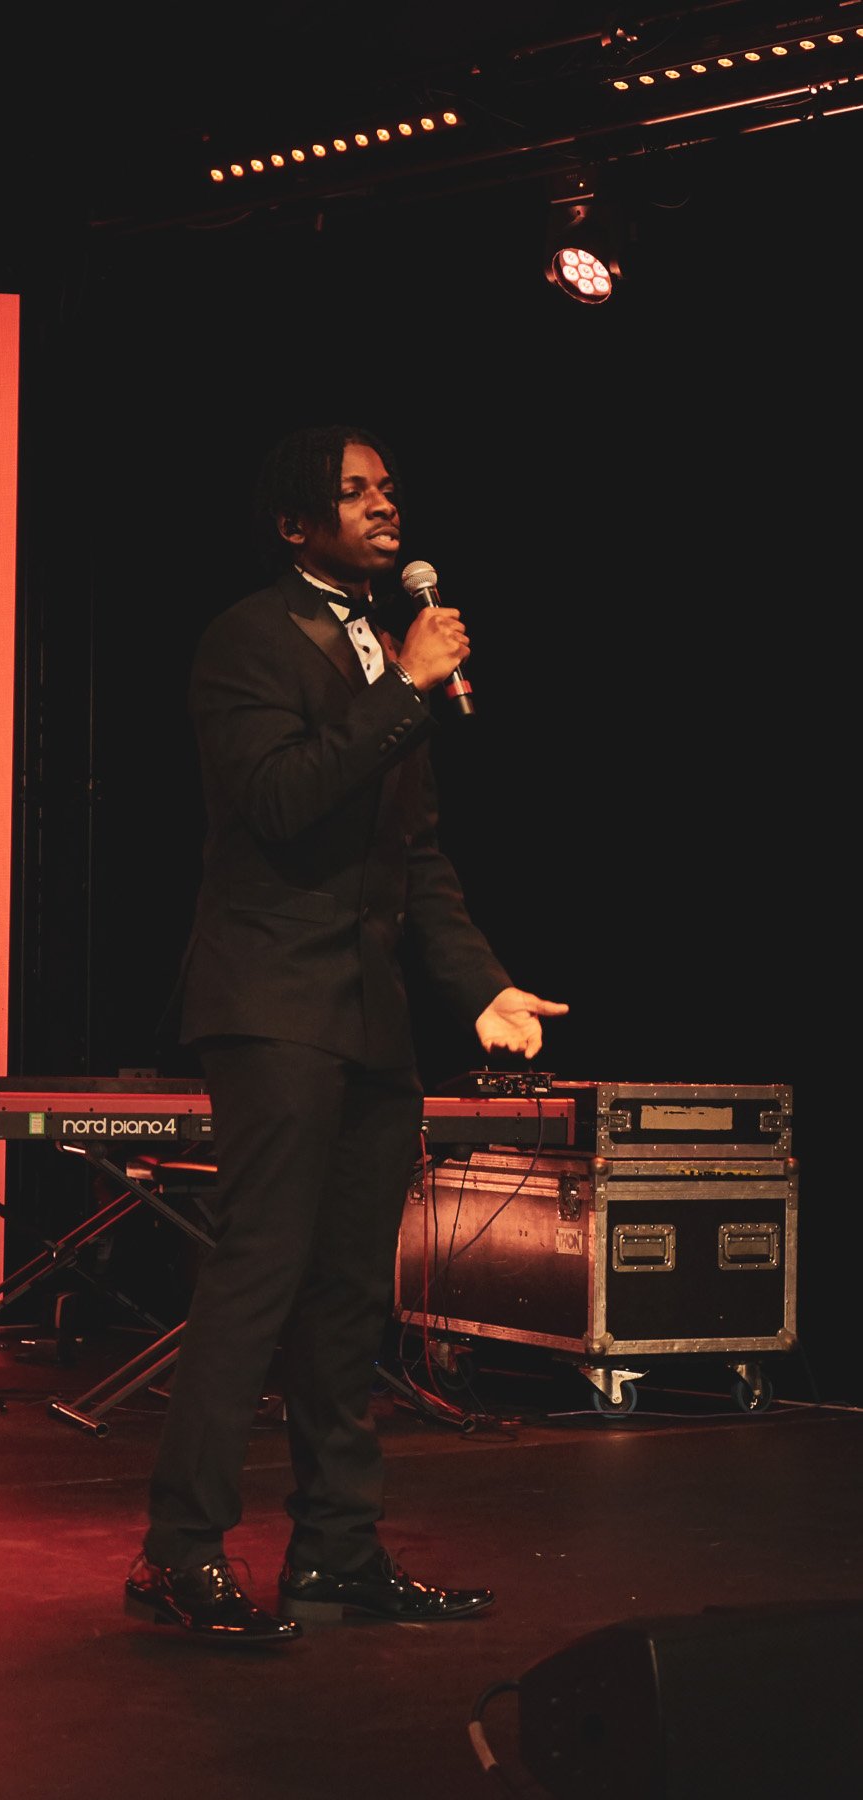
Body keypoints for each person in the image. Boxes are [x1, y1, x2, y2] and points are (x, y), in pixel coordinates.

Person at [125, 422, 568, 1647]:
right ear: (292, 522)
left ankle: (336, 1551)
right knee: (257, 1274)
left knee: (349, 1297)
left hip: (369, 1012)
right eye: (353, 492)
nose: (384, 507)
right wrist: (406, 689)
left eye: (388, 490)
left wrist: (478, 983)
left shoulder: (393, 653)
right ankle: (180, 1551)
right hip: (270, 1002)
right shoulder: (245, 639)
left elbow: (412, 854)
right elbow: (278, 799)